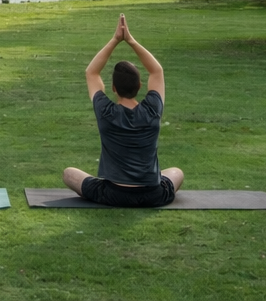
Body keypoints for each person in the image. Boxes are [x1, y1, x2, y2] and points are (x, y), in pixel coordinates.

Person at [62, 13, 184, 207]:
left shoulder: (106, 112)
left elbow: (91, 73)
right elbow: (157, 71)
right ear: (140, 85)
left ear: (113, 88)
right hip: (153, 195)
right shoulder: (152, 109)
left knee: (69, 173)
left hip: (113, 194)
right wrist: (131, 41)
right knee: (177, 172)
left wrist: (115, 40)